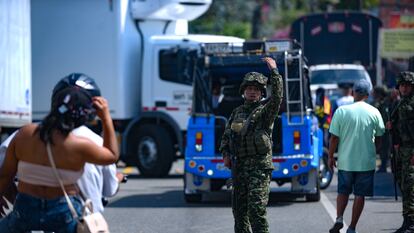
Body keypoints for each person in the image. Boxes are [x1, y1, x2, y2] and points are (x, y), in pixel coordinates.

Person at [0, 76, 119, 232]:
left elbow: (6, 175)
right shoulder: (80, 145)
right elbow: (111, 155)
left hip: (25, 209)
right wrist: (106, 118)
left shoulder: (24, 134)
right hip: (62, 210)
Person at [219, 57, 283, 233]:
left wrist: (274, 71)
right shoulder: (236, 113)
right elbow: (226, 137)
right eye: (249, 89)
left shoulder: (265, 112)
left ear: (262, 93)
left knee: (256, 210)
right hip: (239, 168)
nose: (252, 92)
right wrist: (225, 154)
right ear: (243, 91)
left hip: (259, 168)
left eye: (256, 89)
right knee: (239, 214)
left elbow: (277, 97)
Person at [328, 80, 385, 233]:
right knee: (360, 195)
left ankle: (339, 218)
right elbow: (380, 138)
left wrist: (330, 157)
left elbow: (334, 138)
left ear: (353, 93)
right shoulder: (375, 112)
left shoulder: (341, 111)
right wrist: (373, 151)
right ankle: (352, 227)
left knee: (343, 191)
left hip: (346, 161)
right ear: (368, 94)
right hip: (366, 162)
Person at [390, 71, 414, 233]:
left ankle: (411, 223)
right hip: (401, 151)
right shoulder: (400, 103)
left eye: (407, 85)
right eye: (402, 85)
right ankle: (407, 221)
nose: (404, 88)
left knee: (410, 186)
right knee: (404, 184)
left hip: (411, 150)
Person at [372, 86, 392, 173]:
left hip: (385, 131)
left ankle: (384, 165)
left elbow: (384, 117)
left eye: (375, 93)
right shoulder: (382, 104)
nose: (373, 95)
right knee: (382, 149)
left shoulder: (384, 104)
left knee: (384, 149)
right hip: (382, 130)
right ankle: (383, 164)